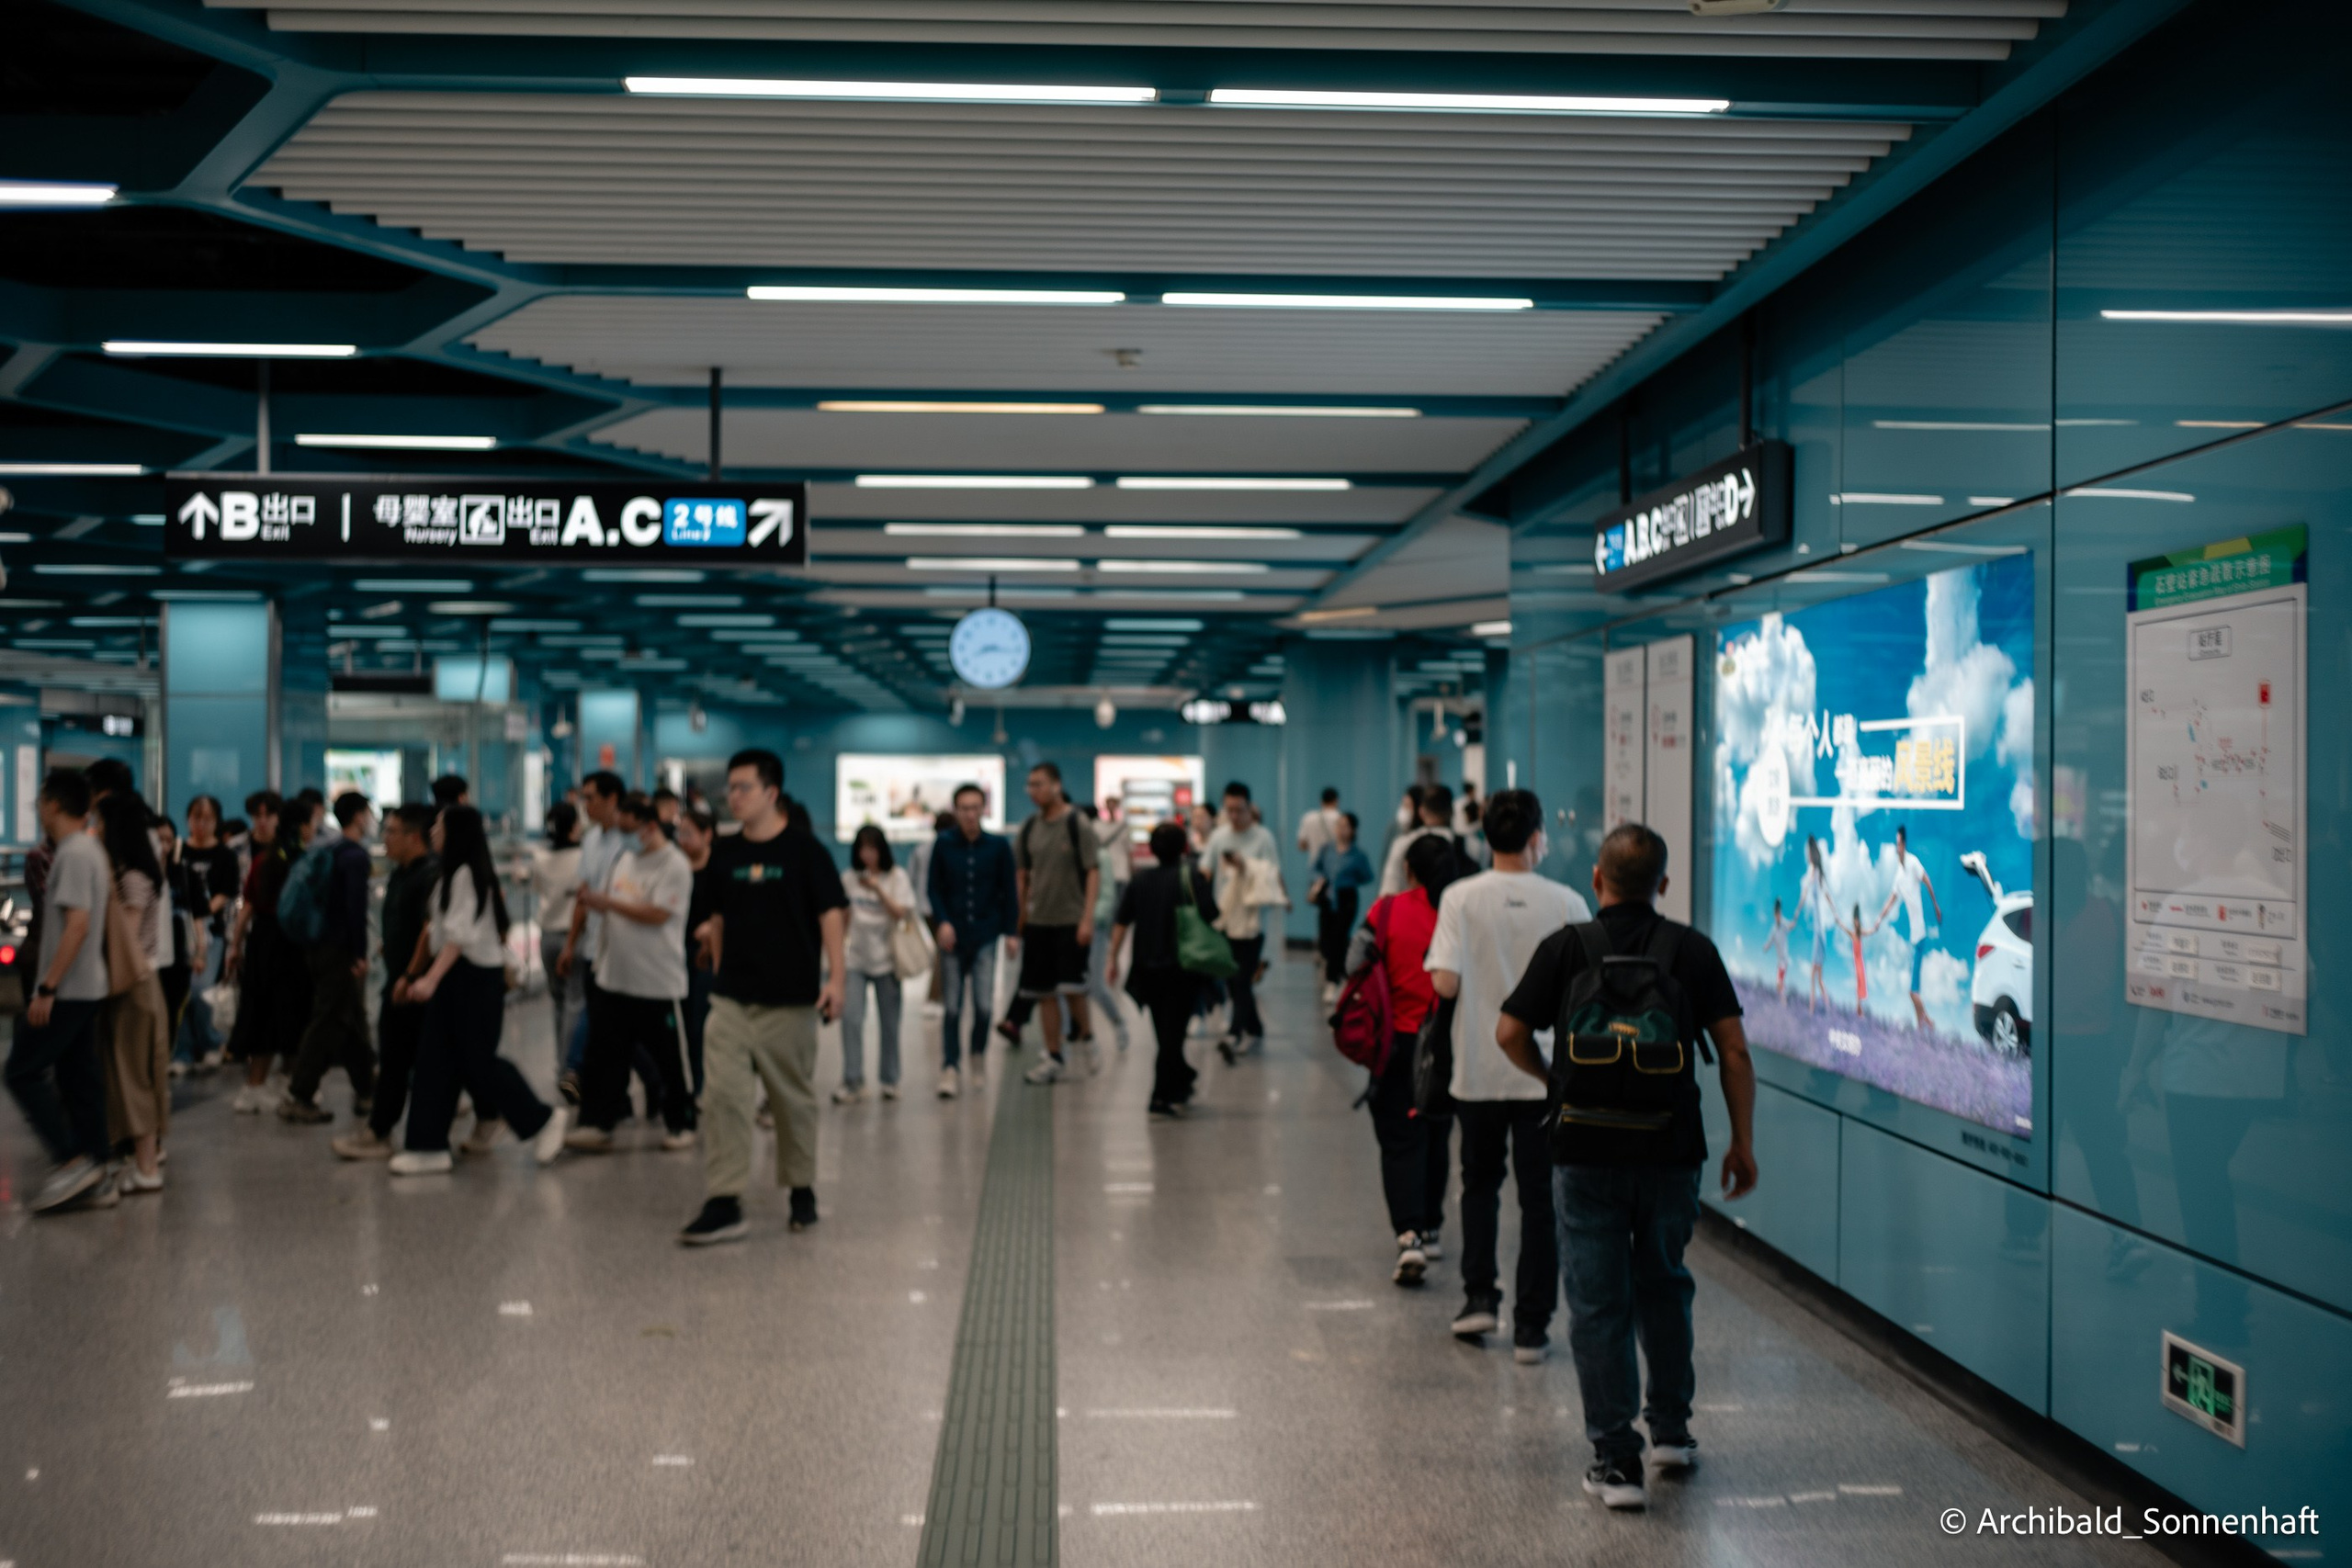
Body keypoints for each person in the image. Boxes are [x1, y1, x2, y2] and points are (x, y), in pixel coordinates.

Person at [1496, 822, 1758, 1511]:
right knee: (1665, 1284)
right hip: (1671, 1151)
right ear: (1663, 883)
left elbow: (1508, 1031)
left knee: (1596, 1302)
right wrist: (1742, 1141)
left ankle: (1616, 1460)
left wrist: (1553, 1077)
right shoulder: (1692, 950)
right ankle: (1671, 1431)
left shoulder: (1567, 946)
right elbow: (1733, 1051)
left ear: (1596, 879)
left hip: (1584, 1149)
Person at [1425, 789, 1587, 1361]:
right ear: (1537, 836)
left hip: (1478, 1069)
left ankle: (1478, 1300)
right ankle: (1533, 1326)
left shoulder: (1459, 898)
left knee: (1479, 1186)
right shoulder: (1568, 902)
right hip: (1547, 1076)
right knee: (1542, 1200)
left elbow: (1444, 983)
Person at [680, 749, 848, 1245]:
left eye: (742, 788)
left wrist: (836, 980)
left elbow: (832, 915)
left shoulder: (804, 851)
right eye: (729, 788)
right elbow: (715, 914)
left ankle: (801, 1188)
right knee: (724, 1098)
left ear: (771, 793)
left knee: (791, 1101)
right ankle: (725, 1198)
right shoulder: (725, 855)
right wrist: (710, 940)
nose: (732, 797)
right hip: (731, 997)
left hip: (790, 1000)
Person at [390, 806, 569, 1176]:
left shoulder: (466, 876)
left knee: (478, 1061)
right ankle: (427, 1145)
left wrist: (428, 979)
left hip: (472, 979)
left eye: (439, 825)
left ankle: (543, 1119)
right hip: (459, 978)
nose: (433, 831)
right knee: (436, 1060)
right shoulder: (452, 874)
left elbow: (459, 938)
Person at [1348, 834, 1460, 1285]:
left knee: (1399, 1140)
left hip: (1398, 1044)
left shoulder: (1387, 910)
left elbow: (1354, 960)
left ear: (1410, 870)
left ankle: (1409, 1234)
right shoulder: (1460, 910)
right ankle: (1432, 1225)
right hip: (1448, 1044)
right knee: (1437, 1132)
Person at [6, 771, 117, 1213]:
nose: (37, 807)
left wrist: (47, 987)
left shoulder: (72, 854)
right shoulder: (90, 848)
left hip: (69, 988)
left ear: (54, 804)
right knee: (79, 1077)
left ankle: (72, 1160)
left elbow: (78, 924)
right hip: (88, 985)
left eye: (40, 800)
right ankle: (97, 1168)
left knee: (21, 1071)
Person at [567, 793, 697, 1151]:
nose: (622, 836)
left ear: (650, 826)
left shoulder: (674, 865)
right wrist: (600, 959)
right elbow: (609, 913)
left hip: (657, 983)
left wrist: (607, 902)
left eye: (628, 829)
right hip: (614, 979)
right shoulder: (624, 859)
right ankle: (597, 1123)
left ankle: (681, 1123)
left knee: (670, 1060)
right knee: (604, 1056)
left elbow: (658, 913)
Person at [333, 804, 438, 1159]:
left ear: (413, 837)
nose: (385, 840)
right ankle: (382, 1130)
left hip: (415, 985)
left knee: (402, 1062)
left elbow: (429, 929)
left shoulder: (429, 876)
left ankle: (384, 1133)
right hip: (399, 980)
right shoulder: (400, 873)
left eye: (391, 832)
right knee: (396, 1060)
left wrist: (410, 974)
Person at [1104, 820, 1221, 1118]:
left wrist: (1113, 959)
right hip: (1183, 968)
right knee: (1173, 1034)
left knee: (1165, 1032)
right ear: (1184, 848)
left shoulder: (1140, 881)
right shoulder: (1192, 877)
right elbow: (1211, 914)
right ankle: (1161, 1095)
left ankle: (1181, 1080)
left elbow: (1122, 921)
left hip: (1147, 967)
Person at [282, 792, 379, 1123]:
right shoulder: (354, 856)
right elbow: (355, 910)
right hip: (339, 949)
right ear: (358, 816)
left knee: (349, 1019)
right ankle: (300, 1093)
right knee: (329, 1018)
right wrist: (359, 953)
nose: (371, 820)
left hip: (319, 944)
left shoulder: (330, 849)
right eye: (368, 813)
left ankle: (367, 1090)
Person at [95, 791, 174, 1193]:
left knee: (132, 1077)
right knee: (145, 1073)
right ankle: (146, 1158)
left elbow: (124, 937)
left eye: (100, 822)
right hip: (147, 983)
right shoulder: (144, 871)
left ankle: (146, 1165)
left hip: (132, 986)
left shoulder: (131, 878)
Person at [1014, 761, 1101, 1085]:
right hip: (1039, 922)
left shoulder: (1077, 824)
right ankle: (1053, 1055)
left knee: (1072, 988)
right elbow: (1022, 875)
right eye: (1030, 785)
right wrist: (1020, 918)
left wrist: (1087, 918)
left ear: (1056, 785)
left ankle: (1088, 1037)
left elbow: (1093, 870)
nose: (1033, 791)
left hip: (1071, 920)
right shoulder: (1028, 828)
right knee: (1044, 992)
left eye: (1039, 784)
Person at [930, 783, 1017, 1099]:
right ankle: (950, 1066)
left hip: (985, 934)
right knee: (951, 1007)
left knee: (983, 1006)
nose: (969, 814)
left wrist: (1011, 932)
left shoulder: (997, 846)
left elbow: (1009, 889)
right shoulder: (943, 845)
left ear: (983, 810)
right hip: (953, 937)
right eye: (963, 808)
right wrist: (942, 922)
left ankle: (977, 1052)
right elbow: (934, 888)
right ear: (956, 810)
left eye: (974, 808)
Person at [226, 790, 311, 1113]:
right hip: (292, 945)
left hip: (263, 942)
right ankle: (284, 1081)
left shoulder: (263, 860)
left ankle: (256, 1085)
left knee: (260, 1014)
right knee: (291, 1014)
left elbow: (247, 907)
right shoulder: (303, 860)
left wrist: (236, 945)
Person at [556, 771, 628, 1104]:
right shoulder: (591, 840)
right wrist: (571, 943)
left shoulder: (632, 840)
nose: (585, 805)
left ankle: (575, 1069)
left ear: (612, 799)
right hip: (594, 948)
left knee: (609, 1018)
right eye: (583, 798)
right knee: (605, 1018)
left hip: (626, 949)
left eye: (590, 798)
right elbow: (583, 896)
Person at [836, 824, 915, 1103]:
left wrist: (877, 889)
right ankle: (853, 1079)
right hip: (856, 959)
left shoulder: (897, 877)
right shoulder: (848, 879)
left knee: (890, 1023)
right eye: (863, 849)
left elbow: (901, 913)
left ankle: (890, 1079)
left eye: (873, 848)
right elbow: (842, 917)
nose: (868, 855)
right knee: (851, 1020)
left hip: (888, 960)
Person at [1203, 781, 1280, 1062]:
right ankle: (1255, 1027)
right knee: (1234, 979)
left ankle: (1236, 1034)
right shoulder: (1219, 837)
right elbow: (1205, 869)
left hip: (1252, 921)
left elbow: (1271, 873)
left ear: (1250, 808)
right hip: (1225, 920)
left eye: (1240, 810)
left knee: (1242, 977)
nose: (1234, 816)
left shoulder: (1263, 838)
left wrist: (1245, 866)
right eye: (1229, 810)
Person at [174, 794, 239, 1068]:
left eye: (208, 819)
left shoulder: (224, 855)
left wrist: (202, 911)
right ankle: (184, 1051)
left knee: (201, 990)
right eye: (196, 818)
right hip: (182, 930)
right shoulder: (179, 852)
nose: (201, 824)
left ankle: (211, 1041)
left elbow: (227, 891)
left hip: (211, 929)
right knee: (182, 992)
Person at [530, 800, 585, 1070]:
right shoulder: (583, 858)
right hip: (574, 936)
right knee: (576, 1001)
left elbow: (538, 889)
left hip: (548, 936)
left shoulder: (540, 857)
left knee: (558, 1001)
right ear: (575, 825)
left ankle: (560, 1063)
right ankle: (568, 1067)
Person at [1874, 824, 1943, 1031]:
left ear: (1903, 844)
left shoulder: (1913, 863)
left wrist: (1936, 905)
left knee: (1913, 992)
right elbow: (1891, 900)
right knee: (1913, 992)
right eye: (1895, 845)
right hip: (1914, 938)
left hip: (1920, 935)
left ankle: (1928, 1023)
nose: (1896, 848)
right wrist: (1879, 919)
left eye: (1898, 844)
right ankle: (1921, 1026)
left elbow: (1927, 880)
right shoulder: (1899, 875)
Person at [1079, 804, 1131, 1054]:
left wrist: (1087, 920)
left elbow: (1107, 899)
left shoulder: (1101, 857)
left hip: (1095, 930)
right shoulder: (1071, 855)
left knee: (1095, 986)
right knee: (1068, 987)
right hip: (1071, 931)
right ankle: (1078, 1034)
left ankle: (1118, 1024)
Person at [675, 805, 718, 1099]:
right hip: (676, 953)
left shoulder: (719, 868)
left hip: (708, 953)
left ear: (707, 835)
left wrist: (712, 928)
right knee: (688, 1024)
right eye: (680, 833)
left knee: (703, 1022)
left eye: (689, 833)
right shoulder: (675, 868)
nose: (683, 839)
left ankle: (708, 1084)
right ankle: (697, 1084)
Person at [1309, 810, 1374, 1000]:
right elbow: (1315, 867)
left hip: (1347, 897)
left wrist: (1350, 880)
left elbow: (1367, 876)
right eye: (1339, 825)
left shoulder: (1358, 854)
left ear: (1353, 830)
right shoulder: (1327, 849)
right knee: (1326, 938)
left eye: (1345, 826)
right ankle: (1338, 972)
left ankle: (1334, 979)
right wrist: (1318, 880)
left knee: (1339, 936)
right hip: (1328, 896)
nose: (1341, 830)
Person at [1380, 783, 1462, 897]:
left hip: (1410, 911)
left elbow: (1389, 890)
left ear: (1421, 811)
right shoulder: (1468, 845)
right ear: (1452, 811)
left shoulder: (1403, 843)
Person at [1295, 785, 1342, 861]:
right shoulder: (1340, 819)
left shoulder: (1308, 818)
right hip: (1335, 864)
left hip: (1315, 864)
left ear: (1321, 801)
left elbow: (1302, 846)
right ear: (1336, 801)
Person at [1761, 897, 1794, 1000]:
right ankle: (1783, 998)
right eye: (1776, 914)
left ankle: (1784, 1000)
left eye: (1779, 913)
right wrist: (1766, 946)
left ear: (1780, 913)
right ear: (1774, 915)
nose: (1777, 916)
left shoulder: (1784, 923)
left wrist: (1792, 924)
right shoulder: (1774, 929)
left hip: (1784, 959)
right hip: (1779, 960)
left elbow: (1790, 926)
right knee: (1779, 984)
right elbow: (1770, 940)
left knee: (1779, 982)